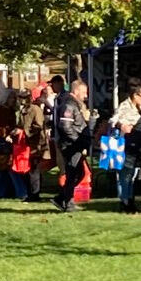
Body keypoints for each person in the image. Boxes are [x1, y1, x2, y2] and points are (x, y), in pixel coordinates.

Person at [109, 79, 141, 214]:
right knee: (125, 175)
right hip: (126, 146)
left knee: (132, 175)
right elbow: (114, 120)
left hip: (137, 146)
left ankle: (130, 200)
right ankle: (125, 202)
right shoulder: (125, 107)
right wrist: (122, 125)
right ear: (135, 95)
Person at [53, 78, 92, 212]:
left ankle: (62, 198)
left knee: (78, 173)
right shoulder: (69, 105)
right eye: (84, 92)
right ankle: (66, 201)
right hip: (70, 145)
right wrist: (78, 140)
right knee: (73, 173)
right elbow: (65, 126)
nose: (86, 96)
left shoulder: (73, 104)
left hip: (74, 144)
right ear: (76, 91)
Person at [21, 83, 48, 201]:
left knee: (34, 169)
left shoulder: (35, 109)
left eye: (24, 98)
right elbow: (21, 125)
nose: (22, 101)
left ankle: (35, 194)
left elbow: (39, 126)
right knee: (28, 170)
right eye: (21, 98)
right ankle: (30, 193)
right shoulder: (24, 110)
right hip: (26, 144)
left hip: (36, 143)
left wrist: (28, 133)